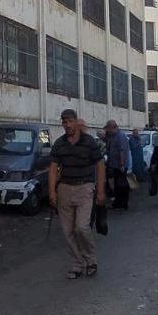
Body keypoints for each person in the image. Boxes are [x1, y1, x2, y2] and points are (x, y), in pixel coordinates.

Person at [49, 109, 107, 279]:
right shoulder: (59, 144)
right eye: (64, 122)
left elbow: (100, 165)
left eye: (69, 121)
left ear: (75, 122)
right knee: (68, 232)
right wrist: (52, 191)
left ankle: (91, 260)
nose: (66, 125)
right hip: (65, 190)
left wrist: (101, 191)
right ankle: (77, 264)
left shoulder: (89, 142)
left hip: (84, 188)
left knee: (81, 227)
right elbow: (53, 167)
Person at [103, 120, 130, 210]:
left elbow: (122, 150)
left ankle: (122, 204)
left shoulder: (120, 136)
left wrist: (121, 164)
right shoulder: (113, 136)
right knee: (117, 185)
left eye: (108, 128)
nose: (107, 130)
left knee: (122, 185)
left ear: (112, 127)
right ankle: (117, 203)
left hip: (120, 166)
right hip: (115, 165)